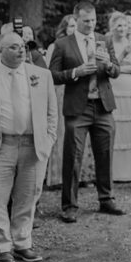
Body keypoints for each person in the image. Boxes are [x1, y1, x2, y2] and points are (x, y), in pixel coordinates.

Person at [49, 2, 124, 221]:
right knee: (73, 155)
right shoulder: (62, 44)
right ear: (76, 19)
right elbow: (52, 74)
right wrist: (76, 72)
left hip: (103, 106)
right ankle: (69, 205)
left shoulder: (104, 39)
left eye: (93, 20)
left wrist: (109, 64)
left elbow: (116, 70)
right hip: (77, 108)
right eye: (86, 21)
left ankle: (106, 199)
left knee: (105, 152)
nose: (91, 24)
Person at [0, 32, 58, 262]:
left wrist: (49, 139)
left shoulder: (41, 75)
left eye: (22, 46)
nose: (21, 50)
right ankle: (1, 246)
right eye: (13, 47)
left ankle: (22, 242)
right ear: (0, 51)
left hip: (33, 144)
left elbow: (52, 112)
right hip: (3, 144)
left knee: (28, 195)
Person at [106, 12, 131, 182]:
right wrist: (121, 59)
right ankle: (116, 172)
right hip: (115, 87)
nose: (122, 29)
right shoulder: (109, 43)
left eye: (125, 25)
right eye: (119, 26)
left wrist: (122, 67)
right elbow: (109, 67)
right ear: (112, 27)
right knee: (118, 127)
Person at [43, 15, 76, 191]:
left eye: (75, 26)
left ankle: (77, 175)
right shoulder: (56, 46)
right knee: (59, 132)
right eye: (71, 26)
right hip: (60, 89)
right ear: (64, 28)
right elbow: (50, 72)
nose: (73, 29)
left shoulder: (80, 46)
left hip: (76, 91)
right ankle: (56, 176)